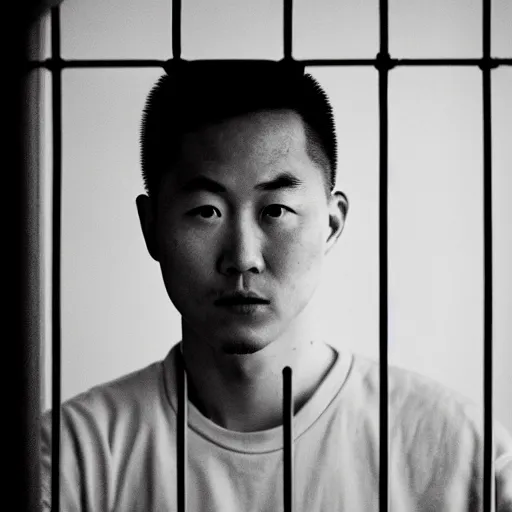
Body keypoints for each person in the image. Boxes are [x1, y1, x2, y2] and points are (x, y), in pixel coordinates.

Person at [41, 61, 512, 511]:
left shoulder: (459, 452)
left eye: (276, 211)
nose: (242, 257)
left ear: (331, 222)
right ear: (151, 228)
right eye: (207, 211)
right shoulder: (73, 457)